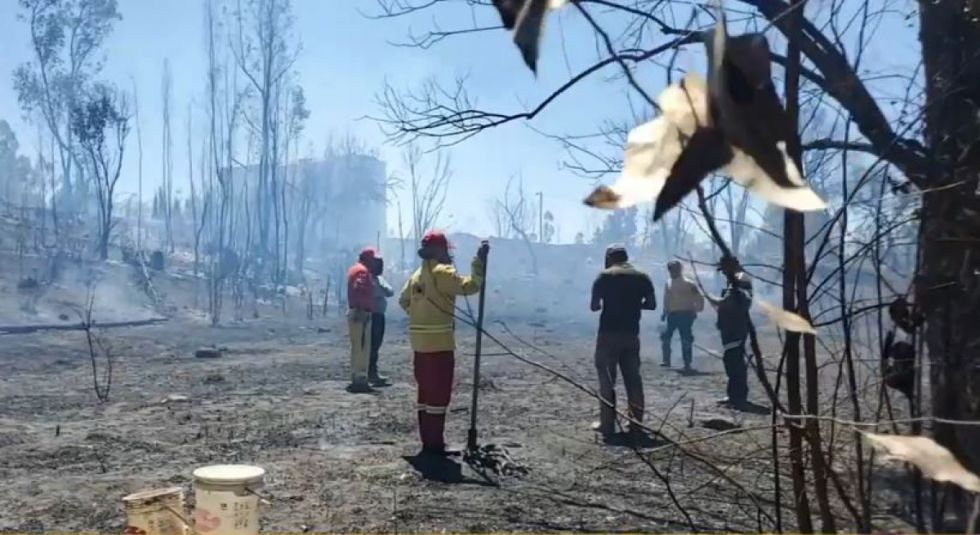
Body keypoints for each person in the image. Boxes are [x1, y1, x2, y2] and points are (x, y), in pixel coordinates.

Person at [399, 230, 488, 456]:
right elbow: (470, 287)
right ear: (440, 250)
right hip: (439, 345)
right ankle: (435, 445)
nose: (449, 254)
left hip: (419, 346)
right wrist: (479, 263)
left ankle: (427, 441)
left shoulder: (416, 276)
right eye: (447, 250)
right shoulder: (442, 272)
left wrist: (421, 313)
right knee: (438, 396)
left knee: (425, 394)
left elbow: (403, 301)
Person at [589, 244, 656, 440]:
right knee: (633, 380)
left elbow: (594, 306)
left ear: (609, 258)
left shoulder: (604, 276)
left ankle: (607, 424)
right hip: (631, 334)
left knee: (607, 380)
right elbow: (651, 304)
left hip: (608, 334)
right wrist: (633, 305)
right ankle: (635, 424)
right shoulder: (642, 277)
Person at [702, 255, 753, 410]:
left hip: (735, 327)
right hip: (731, 326)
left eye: (724, 269)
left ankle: (738, 397)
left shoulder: (740, 278)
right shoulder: (736, 279)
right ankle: (734, 396)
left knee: (733, 361)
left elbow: (727, 302)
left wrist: (708, 296)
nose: (722, 272)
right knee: (732, 360)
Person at [660, 260, 705, 372]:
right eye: (671, 270)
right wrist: (665, 312)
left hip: (686, 314)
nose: (673, 272)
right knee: (666, 336)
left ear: (680, 270)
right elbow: (667, 299)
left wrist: (697, 309)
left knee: (686, 339)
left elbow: (699, 297)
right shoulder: (668, 283)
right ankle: (666, 360)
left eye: (675, 269)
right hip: (673, 314)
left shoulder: (689, 283)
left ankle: (687, 363)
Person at [346, 248, 377, 393]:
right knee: (363, 347)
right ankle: (361, 378)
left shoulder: (354, 269)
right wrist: (361, 308)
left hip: (355, 311)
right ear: (368, 259)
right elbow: (359, 287)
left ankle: (355, 376)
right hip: (361, 313)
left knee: (356, 346)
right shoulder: (362, 271)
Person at [369, 255, 394, 387]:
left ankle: (373, 372)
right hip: (372, 316)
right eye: (379, 265)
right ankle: (370, 373)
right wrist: (383, 290)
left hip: (379, 315)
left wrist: (383, 289)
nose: (381, 268)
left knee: (376, 345)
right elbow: (379, 292)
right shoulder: (368, 279)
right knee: (371, 345)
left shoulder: (379, 279)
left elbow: (390, 291)